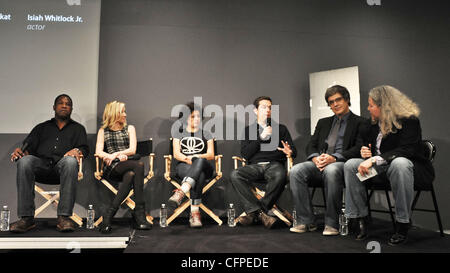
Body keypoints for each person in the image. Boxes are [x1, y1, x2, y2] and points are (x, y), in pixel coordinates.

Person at [343, 85, 434, 245]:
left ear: (384, 106)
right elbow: (369, 149)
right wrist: (366, 153)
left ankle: (402, 223)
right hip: (380, 170)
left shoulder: (409, 121)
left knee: (399, 163)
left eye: (371, 105)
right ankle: (361, 218)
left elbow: (408, 149)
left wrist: (375, 159)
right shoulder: (371, 125)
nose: (368, 108)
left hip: (407, 169)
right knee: (351, 165)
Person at [289, 85, 366, 235]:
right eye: (331, 102)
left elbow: (359, 148)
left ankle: (332, 223)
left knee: (331, 170)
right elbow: (311, 144)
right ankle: (306, 221)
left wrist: (335, 158)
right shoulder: (323, 122)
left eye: (338, 100)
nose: (335, 104)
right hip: (320, 162)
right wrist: (315, 158)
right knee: (296, 171)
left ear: (347, 100)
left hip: (342, 164)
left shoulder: (360, 122)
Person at [9, 94, 89, 233]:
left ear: (71, 108)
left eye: (68, 104)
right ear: (54, 107)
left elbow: (84, 149)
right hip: (42, 168)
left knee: (70, 161)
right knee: (24, 161)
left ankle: (64, 218)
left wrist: (77, 150)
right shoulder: (41, 128)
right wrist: (21, 152)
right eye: (60, 103)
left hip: (63, 169)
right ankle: (26, 218)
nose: (64, 105)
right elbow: (27, 148)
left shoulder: (78, 129)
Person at [230, 96, 297, 229]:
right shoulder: (248, 130)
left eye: (269, 107)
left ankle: (255, 212)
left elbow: (294, 151)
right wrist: (261, 138)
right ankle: (262, 213)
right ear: (256, 110)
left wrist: (289, 152)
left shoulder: (281, 129)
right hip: (255, 167)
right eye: (264, 107)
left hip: (274, 165)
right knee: (235, 174)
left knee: (280, 174)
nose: (267, 110)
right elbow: (246, 154)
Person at [95, 101, 151, 233]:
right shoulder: (103, 131)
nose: (125, 114)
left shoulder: (130, 128)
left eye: (125, 111)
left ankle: (108, 217)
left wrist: (116, 154)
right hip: (112, 167)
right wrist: (114, 157)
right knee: (139, 165)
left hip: (127, 163)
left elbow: (132, 149)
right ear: (114, 113)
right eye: (122, 112)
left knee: (131, 174)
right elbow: (98, 151)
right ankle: (140, 214)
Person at [167, 102, 215, 228]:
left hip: (205, 165)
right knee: (199, 176)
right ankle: (195, 213)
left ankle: (182, 191)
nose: (197, 119)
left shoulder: (207, 134)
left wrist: (196, 158)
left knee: (199, 160)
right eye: (193, 116)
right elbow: (176, 154)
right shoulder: (178, 133)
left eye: (198, 116)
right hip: (184, 166)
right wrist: (187, 159)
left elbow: (210, 154)